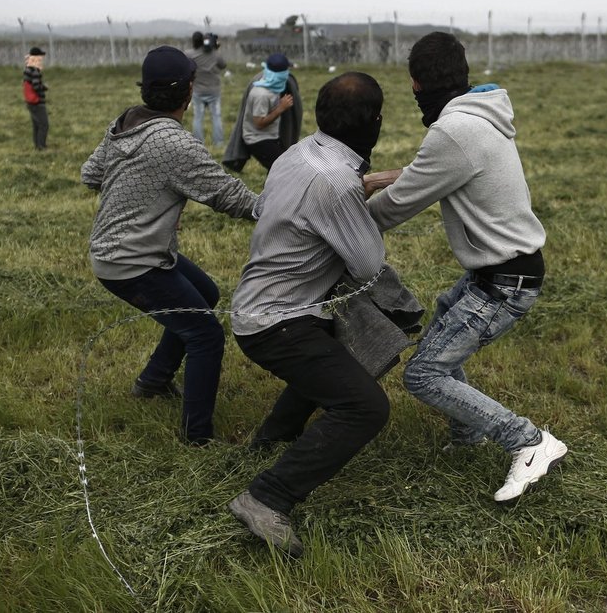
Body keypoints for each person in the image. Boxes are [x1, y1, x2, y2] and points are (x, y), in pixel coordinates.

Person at [365, 32, 568, 503]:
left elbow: (395, 208)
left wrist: (340, 224)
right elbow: (434, 170)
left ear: (415, 84)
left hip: (504, 283)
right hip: (501, 272)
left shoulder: (454, 130)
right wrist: (377, 177)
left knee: (424, 373)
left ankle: (530, 441)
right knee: (441, 345)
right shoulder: (477, 118)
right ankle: (467, 438)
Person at [227, 72, 388, 557]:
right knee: (366, 407)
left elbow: (335, 189)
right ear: (376, 122)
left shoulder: (296, 154)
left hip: (258, 308)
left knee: (336, 356)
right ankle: (267, 497)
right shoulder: (337, 183)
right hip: (277, 323)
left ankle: (272, 439)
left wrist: (384, 180)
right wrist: (383, 209)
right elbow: (368, 267)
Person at [81, 45, 258, 446]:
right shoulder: (174, 144)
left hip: (120, 251)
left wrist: (142, 193)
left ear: (146, 90)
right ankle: (197, 439)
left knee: (206, 294)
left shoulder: (126, 121)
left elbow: (90, 174)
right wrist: (290, 207)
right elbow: (233, 199)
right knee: (206, 336)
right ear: (189, 91)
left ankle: (153, 381)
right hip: (131, 262)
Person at [227, 53, 300, 171]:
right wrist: (281, 108)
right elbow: (259, 123)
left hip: (271, 136)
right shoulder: (261, 94)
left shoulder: (275, 85)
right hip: (258, 139)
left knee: (279, 169)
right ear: (280, 75)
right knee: (283, 169)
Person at [187, 31, 228, 147]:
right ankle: (219, 143)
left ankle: (198, 143)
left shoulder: (190, 54)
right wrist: (216, 50)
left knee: (198, 117)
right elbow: (223, 65)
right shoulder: (215, 54)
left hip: (198, 91)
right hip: (214, 90)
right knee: (216, 116)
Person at [22, 46, 49, 150]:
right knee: (44, 124)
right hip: (37, 102)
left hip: (30, 102)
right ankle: (41, 146)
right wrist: (44, 87)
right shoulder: (35, 71)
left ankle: (37, 145)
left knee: (36, 125)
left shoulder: (27, 70)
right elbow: (36, 86)